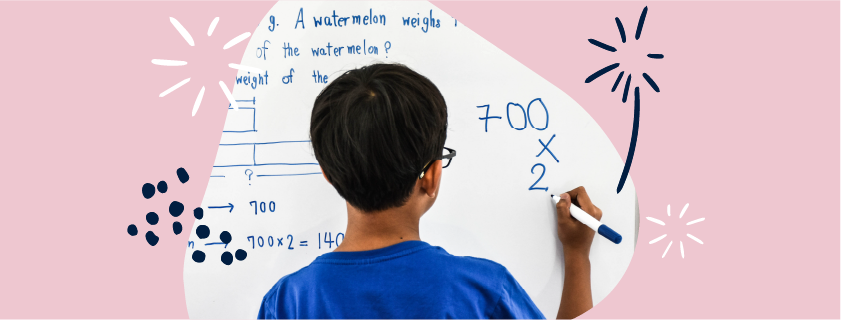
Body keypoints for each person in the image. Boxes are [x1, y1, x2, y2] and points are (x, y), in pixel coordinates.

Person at [258, 63, 603, 319]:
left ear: (328, 174)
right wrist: (576, 257)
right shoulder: (483, 292)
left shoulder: (288, 303)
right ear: (432, 176)